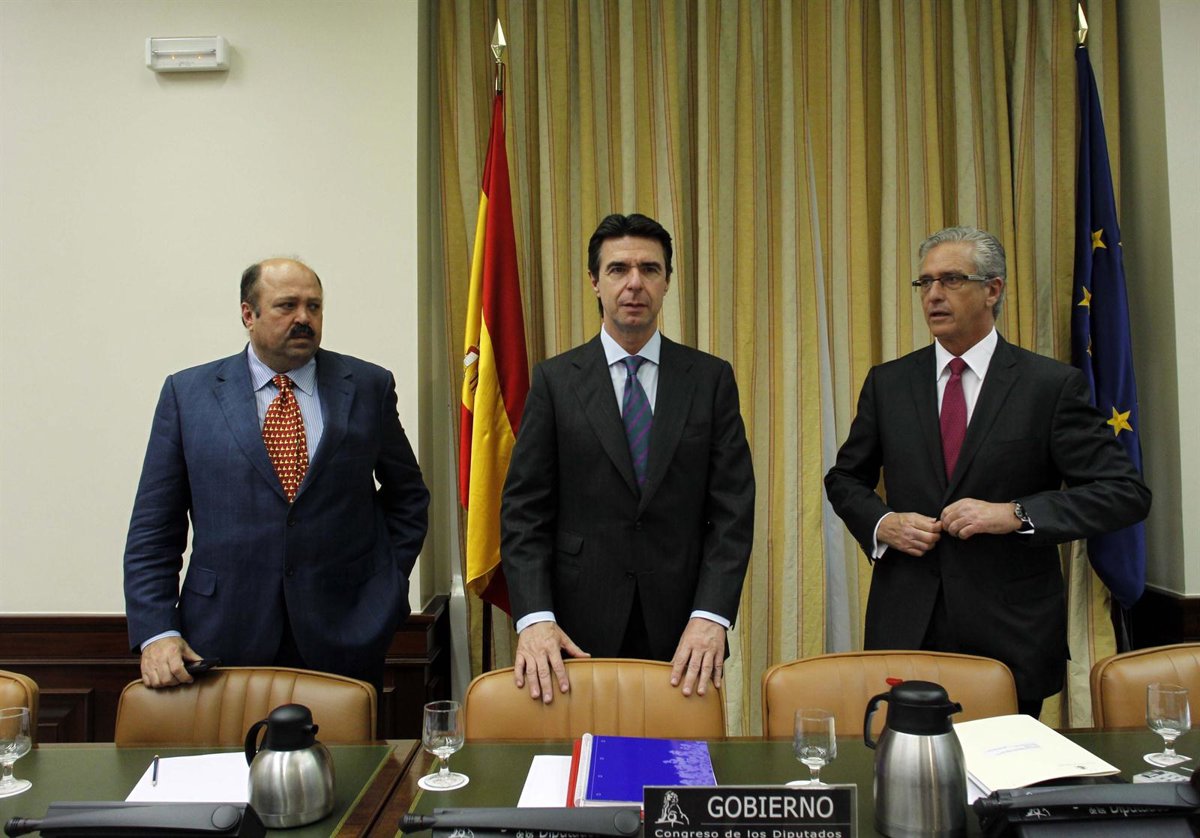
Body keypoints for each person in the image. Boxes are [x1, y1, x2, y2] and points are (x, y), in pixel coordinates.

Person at [824, 226, 1151, 716]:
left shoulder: (1049, 386)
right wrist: (882, 523)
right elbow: (845, 479)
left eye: (951, 279)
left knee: (1002, 765)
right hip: (908, 626)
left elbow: (1125, 492)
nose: (933, 294)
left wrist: (1015, 513)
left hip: (1009, 633)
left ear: (992, 289)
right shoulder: (889, 383)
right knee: (906, 762)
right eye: (925, 282)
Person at [123, 257, 429, 693]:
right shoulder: (187, 395)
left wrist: (386, 583)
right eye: (287, 305)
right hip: (222, 633)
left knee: (344, 742)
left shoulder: (367, 386)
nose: (304, 318)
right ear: (248, 314)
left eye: (314, 306)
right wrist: (157, 631)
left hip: (345, 630)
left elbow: (408, 496)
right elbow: (154, 528)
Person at [501, 213, 755, 704]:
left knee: (678, 752)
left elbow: (733, 511)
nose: (634, 283)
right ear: (595, 282)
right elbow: (523, 513)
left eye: (649, 269)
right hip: (573, 632)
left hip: (685, 632)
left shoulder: (709, 380)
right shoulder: (555, 381)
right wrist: (534, 618)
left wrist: (711, 616)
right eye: (618, 269)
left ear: (667, 282)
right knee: (583, 753)